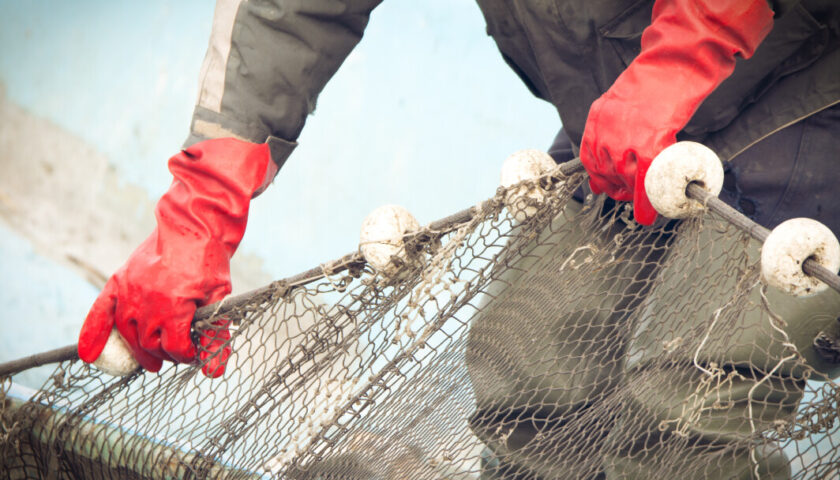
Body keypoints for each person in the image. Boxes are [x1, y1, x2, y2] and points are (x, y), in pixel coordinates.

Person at [77, 0, 840, 477]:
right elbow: (286, 11)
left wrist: (694, 43)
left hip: (810, 88)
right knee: (531, 364)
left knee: (689, 389)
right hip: (629, 125)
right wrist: (198, 214)